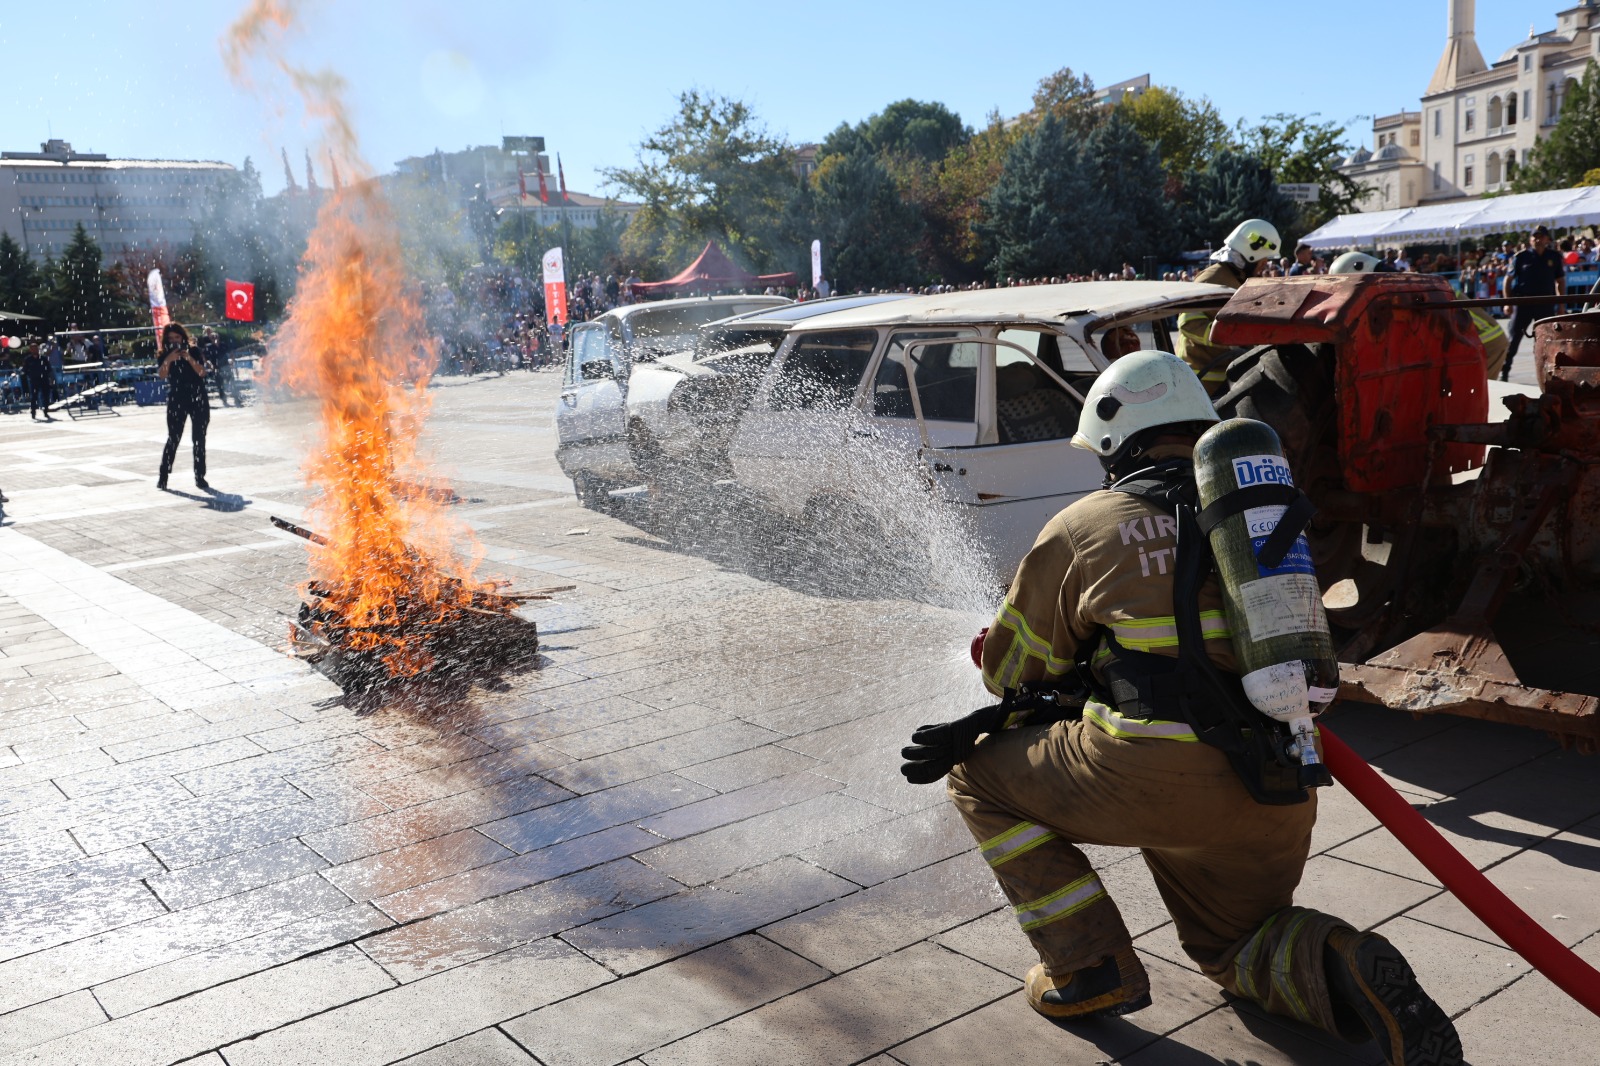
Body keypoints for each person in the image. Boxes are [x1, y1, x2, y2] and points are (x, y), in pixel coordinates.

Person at [902, 350, 1461, 1066]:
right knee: (1235, 946)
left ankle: (1088, 967)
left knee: (973, 777)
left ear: (1115, 443)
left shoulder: (1087, 523)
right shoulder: (1259, 525)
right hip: (1277, 784)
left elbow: (1010, 672)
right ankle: (1344, 962)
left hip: (1145, 774)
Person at [1331, 253, 1509, 380]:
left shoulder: (1405, 288)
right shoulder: (1400, 282)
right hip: (1479, 339)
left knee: (1467, 403)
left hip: (1485, 341)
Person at [1176, 218, 1281, 395]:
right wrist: (1231, 337)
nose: (1263, 267)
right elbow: (1188, 323)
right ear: (1250, 255)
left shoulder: (1238, 280)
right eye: (1262, 262)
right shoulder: (1210, 280)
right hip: (1202, 380)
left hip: (1229, 376)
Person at [1503, 225, 1566, 381]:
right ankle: (1504, 371)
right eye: (1535, 237)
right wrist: (1507, 302)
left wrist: (1561, 304)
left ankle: (1549, 374)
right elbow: (1507, 280)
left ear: (1547, 239)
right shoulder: (1521, 257)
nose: (1538, 240)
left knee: (1548, 340)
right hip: (1523, 302)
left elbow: (1560, 281)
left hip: (1545, 303)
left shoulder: (1554, 257)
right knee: (1514, 339)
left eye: (1541, 237)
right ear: (1530, 239)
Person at [156, 323, 210, 491]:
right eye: (171, 338)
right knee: (174, 437)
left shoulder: (193, 351)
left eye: (177, 338)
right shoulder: (164, 354)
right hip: (177, 398)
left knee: (199, 438)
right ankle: (163, 475)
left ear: (183, 337)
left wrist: (188, 358)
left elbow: (202, 372)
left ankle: (200, 476)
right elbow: (162, 375)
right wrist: (168, 360)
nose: (174, 341)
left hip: (198, 396)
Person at [199, 327, 234, 407]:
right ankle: (224, 399)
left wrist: (231, 360)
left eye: (216, 337)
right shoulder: (209, 347)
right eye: (212, 337)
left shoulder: (223, 345)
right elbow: (205, 358)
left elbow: (231, 352)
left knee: (231, 381)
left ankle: (236, 396)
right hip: (216, 367)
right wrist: (210, 365)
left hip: (225, 365)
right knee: (220, 384)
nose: (215, 339)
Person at [22, 342, 53, 421]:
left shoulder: (43, 358)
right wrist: (28, 374)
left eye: (36, 348)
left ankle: (46, 411)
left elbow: (49, 368)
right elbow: (24, 370)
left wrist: (49, 377)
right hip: (34, 380)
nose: (35, 350)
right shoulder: (28, 359)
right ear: (30, 350)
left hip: (44, 379)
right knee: (34, 397)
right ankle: (33, 413)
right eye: (33, 348)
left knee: (46, 396)